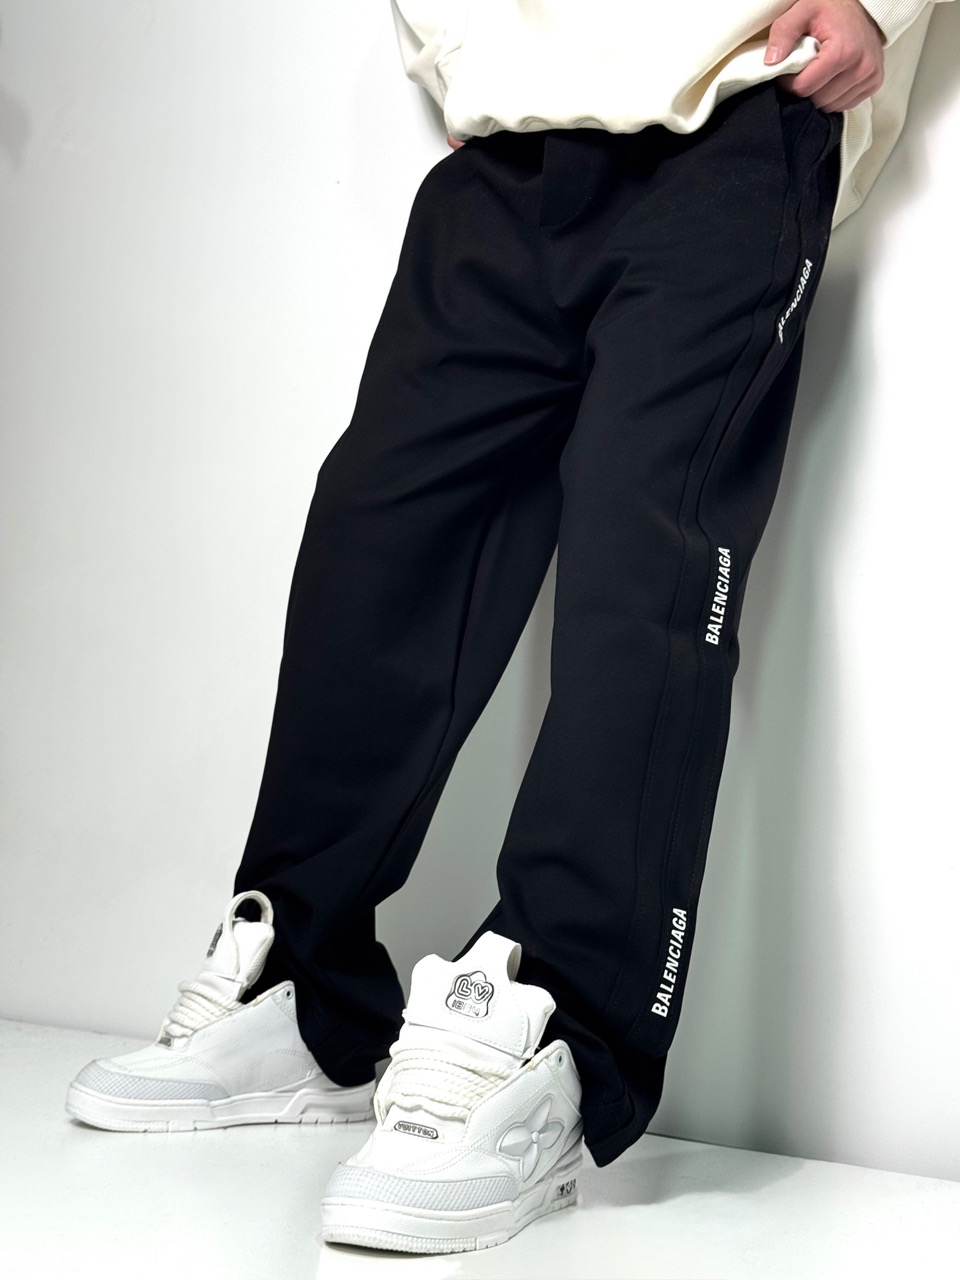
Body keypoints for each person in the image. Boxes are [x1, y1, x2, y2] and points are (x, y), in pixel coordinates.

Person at [64, 0, 948, 1257]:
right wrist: (467, 48)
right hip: (506, 150)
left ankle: (560, 1033)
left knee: (641, 568)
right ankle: (308, 988)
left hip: (739, 120)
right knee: (377, 533)